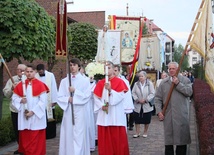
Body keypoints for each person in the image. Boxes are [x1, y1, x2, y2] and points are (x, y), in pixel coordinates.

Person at [155, 62, 193, 155]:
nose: (171, 70)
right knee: (168, 143)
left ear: (177, 69)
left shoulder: (185, 80)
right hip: (168, 116)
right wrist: (159, 111)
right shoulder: (164, 82)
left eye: (173, 68)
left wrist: (178, 84)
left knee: (181, 143)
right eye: (170, 68)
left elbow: (189, 92)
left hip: (181, 116)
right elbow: (157, 98)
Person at [93, 61, 130, 155]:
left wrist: (110, 90)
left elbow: (120, 97)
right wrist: (102, 106)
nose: (107, 70)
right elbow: (95, 98)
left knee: (117, 141)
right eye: (105, 68)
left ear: (114, 69)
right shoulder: (100, 82)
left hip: (115, 115)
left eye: (109, 68)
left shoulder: (120, 82)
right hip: (104, 116)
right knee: (105, 142)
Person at [12, 64, 49, 155]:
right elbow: (14, 98)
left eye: (31, 71)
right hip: (24, 117)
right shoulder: (20, 85)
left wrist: (33, 112)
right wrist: (21, 100)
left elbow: (43, 101)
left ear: (35, 72)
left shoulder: (41, 85)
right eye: (27, 72)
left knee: (35, 140)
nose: (29, 74)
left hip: (36, 117)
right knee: (26, 140)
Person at [57, 58, 91, 155]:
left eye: (74, 65)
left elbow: (87, 96)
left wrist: (75, 92)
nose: (72, 67)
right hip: (68, 111)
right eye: (71, 65)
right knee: (69, 133)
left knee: (79, 134)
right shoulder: (65, 81)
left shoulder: (85, 81)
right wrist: (68, 99)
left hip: (80, 111)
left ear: (79, 67)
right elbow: (60, 96)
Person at [3, 64, 26, 155]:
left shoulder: (29, 80)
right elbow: (6, 95)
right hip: (15, 110)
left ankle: (26, 147)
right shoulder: (11, 80)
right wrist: (12, 89)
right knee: (17, 129)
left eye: (22, 70)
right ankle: (20, 147)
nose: (20, 71)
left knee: (25, 130)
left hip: (25, 110)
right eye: (18, 69)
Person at [35, 64, 58, 139]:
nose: (41, 72)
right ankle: (42, 133)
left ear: (44, 69)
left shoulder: (50, 75)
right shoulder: (35, 76)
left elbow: (53, 86)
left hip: (49, 99)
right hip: (40, 100)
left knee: (50, 117)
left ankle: (51, 134)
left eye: (42, 71)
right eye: (39, 71)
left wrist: (54, 100)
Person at [132, 71, 155, 138]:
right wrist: (137, 99)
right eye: (139, 76)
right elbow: (133, 93)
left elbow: (152, 93)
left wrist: (146, 100)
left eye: (142, 76)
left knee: (146, 119)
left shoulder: (149, 84)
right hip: (138, 104)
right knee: (137, 119)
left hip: (146, 104)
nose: (140, 78)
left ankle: (145, 132)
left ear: (145, 77)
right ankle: (137, 132)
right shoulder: (136, 84)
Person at [113, 65, 134, 130]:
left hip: (121, 107)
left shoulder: (124, 81)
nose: (114, 72)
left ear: (119, 71)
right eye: (113, 70)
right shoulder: (108, 81)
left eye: (116, 70)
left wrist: (126, 107)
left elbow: (127, 96)